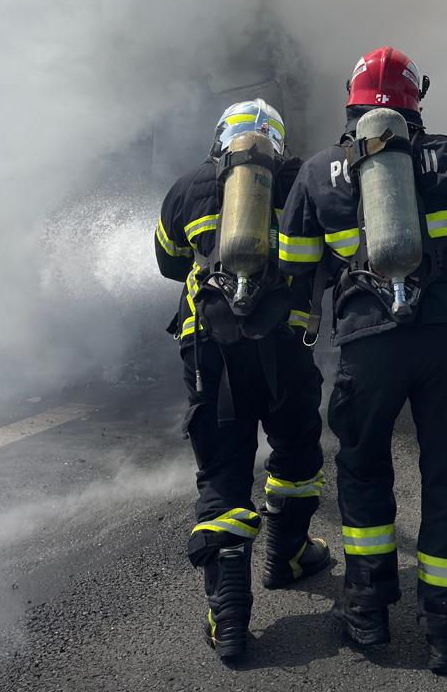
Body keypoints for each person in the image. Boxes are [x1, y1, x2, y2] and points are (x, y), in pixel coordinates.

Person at [277, 46, 447, 676]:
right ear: (416, 101)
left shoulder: (318, 171)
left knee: (363, 473)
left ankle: (368, 614)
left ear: (351, 102)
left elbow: (294, 265)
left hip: (368, 345)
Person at [154, 100, 332, 664]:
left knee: (224, 468)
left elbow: (167, 259)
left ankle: (227, 614)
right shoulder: (302, 179)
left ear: (219, 139)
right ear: (276, 143)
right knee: (298, 451)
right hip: (282, 345)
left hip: (209, 350)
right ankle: (289, 554)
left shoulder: (187, 188)